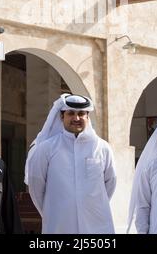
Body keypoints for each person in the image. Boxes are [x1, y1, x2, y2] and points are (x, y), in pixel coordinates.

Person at [25, 93, 116, 234]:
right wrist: (52, 210)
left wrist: (90, 204)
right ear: (62, 116)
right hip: (59, 224)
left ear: (87, 117)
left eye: (81, 114)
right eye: (71, 113)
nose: (76, 118)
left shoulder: (102, 148)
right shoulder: (46, 148)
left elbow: (110, 183)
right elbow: (36, 185)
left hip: (95, 224)